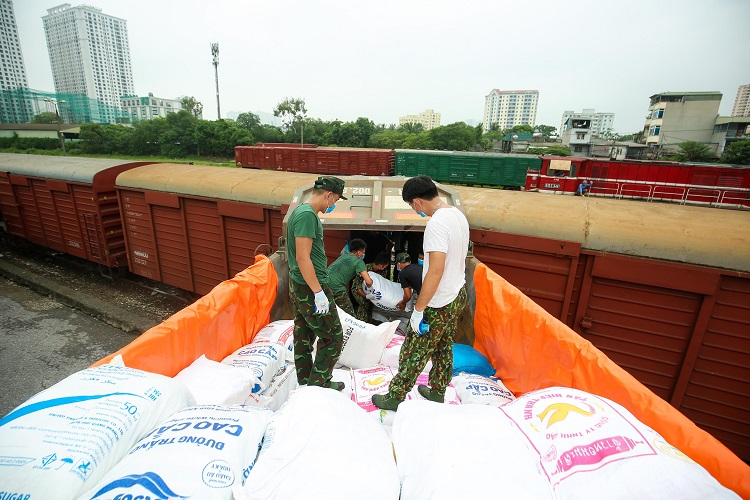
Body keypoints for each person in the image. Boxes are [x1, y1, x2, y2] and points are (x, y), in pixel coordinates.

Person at [372, 176, 469, 411]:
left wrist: (419, 310)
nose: (414, 210)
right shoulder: (457, 215)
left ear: (416, 201)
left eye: (411, 206)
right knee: (443, 347)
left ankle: (394, 397)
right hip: (457, 293)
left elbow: (435, 271)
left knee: (413, 352)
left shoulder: (436, 224)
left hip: (438, 302)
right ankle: (437, 391)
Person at [286, 175, 347, 391]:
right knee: (333, 338)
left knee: (303, 335)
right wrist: (318, 293)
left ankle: (306, 384)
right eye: (336, 200)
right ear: (329, 195)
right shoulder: (307, 216)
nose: (334, 205)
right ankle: (317, 387)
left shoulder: (300, 211)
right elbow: (303, 257)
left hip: (301, 285)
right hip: (310, 287)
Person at [327, 238, 374, 316]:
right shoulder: (358, 262)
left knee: (328, 311)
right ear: (359, 252)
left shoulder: (343, 256)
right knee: (349, 315)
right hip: (336, 288)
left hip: (323, 284)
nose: (363, 255)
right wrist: (371, 284)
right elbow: (368, 282)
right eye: (363, 253)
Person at [352, 251, 390, 322]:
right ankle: (360, 322)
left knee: (371, 305)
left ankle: (368, 321)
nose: (385, 268)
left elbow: (381, 285)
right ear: (380, 266)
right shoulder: (364, 269)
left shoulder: (383, 271)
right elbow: (358, 287)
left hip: (371, 291)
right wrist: (366, 296)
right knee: (365, 303)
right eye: (385, 266)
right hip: (358, 290)